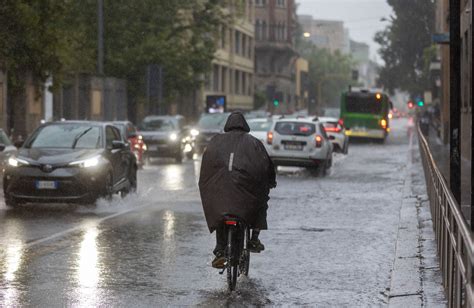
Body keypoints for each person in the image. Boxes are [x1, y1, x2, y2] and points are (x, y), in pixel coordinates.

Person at [199, 111, 276, 269]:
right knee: (261, 201)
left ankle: (220, 251)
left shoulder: (215, 141)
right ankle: (254, 238)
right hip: (246, 192)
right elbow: (266, 165)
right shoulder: (254, 143)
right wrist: (270, 182)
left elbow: (206, 166)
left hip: (220, 191)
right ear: (245, 125)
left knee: (221, 212)